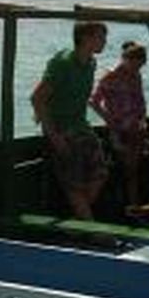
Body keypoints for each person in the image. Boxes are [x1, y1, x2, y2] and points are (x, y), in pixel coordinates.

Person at [31, 21, 109, 220]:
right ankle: (92, 229)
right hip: (62, 130)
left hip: (81, 127)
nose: (104, 42)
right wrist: (54, 136)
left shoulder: (91, 63)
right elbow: (37, 98)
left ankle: (78, 220)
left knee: (100, 173)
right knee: (73, 183)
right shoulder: (63, 63)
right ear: (84, 38)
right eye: (100, 37)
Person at [90, 41, 147, 206]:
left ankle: (133, 206)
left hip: (136, 128)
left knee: (133, 171)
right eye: (135, 65)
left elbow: (140, 99)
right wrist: (109, 120)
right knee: (125, 170)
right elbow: (94, 101)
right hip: (119, 130)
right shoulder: (111, 75)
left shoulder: (136, 75)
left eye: (140, 66)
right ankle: (126, 205)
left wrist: (143, 119)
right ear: (126, 59)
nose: (137, 69)